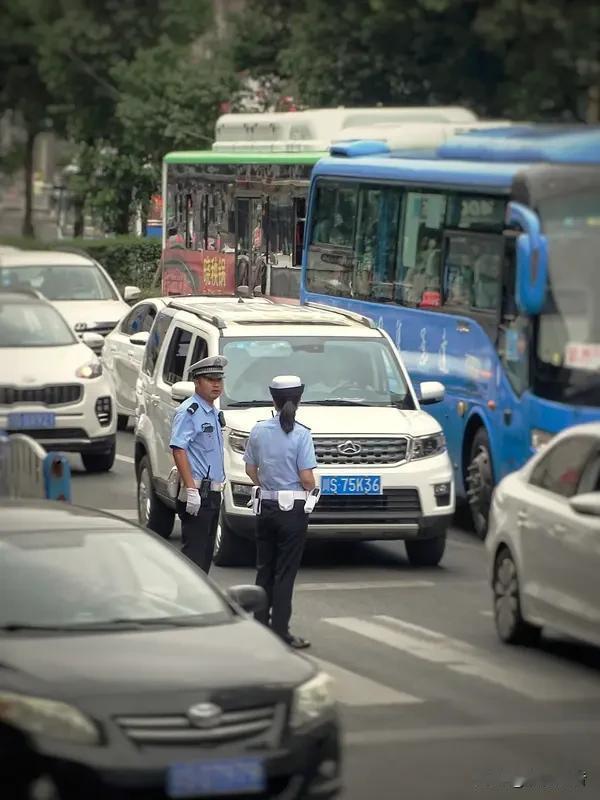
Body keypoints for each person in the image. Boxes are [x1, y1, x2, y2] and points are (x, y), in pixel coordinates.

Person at [243, 375, 319, 649]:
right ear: (299, 399)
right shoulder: (301, 434)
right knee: (285, 573)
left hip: (266, 506)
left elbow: (250, 470)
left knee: (264, 569)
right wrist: (313, 490)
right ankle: (280, 631)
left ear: (273, 399)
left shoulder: (258, 430)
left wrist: (266, 484)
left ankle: (259, 627)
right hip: (292, 510)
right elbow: (307, 478)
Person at [169, 355, 227, 573]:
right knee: (193, 559)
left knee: (204, 558)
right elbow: (178, 448)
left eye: (219, 380)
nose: (216, 385)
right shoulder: (189, 411)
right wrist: (191, 489)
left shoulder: (212, 412)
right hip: (197, 492)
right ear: (197, 381)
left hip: (212, 493)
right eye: (210, 379)